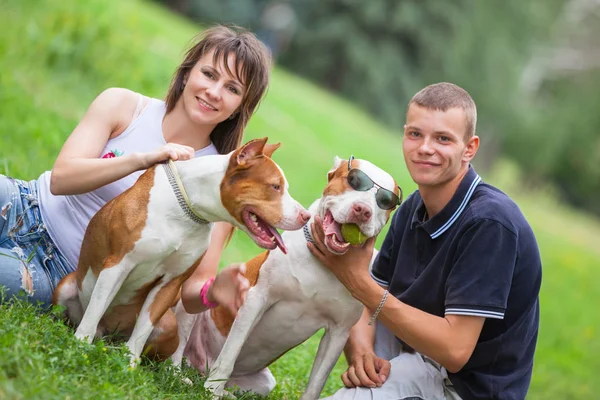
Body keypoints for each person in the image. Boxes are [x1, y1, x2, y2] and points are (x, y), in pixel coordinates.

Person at [0, 25, 271, 317]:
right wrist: (143, 160)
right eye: (209, 74)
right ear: (186, 73)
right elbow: (61, 179)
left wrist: (213, 291)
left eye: (232, 89)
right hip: (24, 203)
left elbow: (191, 290)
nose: (214, 92)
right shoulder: (123, 105)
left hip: (62, 271)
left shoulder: (218, 181)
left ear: (239, 108)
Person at [309, 82, 542, 400]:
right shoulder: (411, 208)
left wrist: (357, 282)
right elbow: (367, 308)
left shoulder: (490, 223)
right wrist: (363, 351)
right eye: (415, 134)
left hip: (462, 387)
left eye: (443, 138)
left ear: (469, 148)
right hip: (414, 353)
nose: (425, 148)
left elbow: (455, 350)